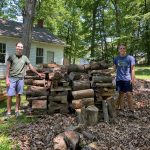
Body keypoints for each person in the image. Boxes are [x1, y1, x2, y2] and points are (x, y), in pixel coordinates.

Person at [5, 42, 44, 117]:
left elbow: (31, 67)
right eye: (18, 46)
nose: (20, 48)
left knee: (18, 95)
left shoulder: (25, 57)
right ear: (16, 47)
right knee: (10, 95)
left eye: (21, 47)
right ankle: (9, 112)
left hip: (20, 79)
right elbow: (7, 69)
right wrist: (7, 79)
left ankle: (17, 111)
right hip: (12, 78)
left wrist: (38, 73)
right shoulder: (11, 57)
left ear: (22, 48)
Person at [113, 44, 135, 114]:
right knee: (121, 94)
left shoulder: (130, 58)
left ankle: (131, 110)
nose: (122, 49)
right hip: (119, 79)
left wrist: (133, 79)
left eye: (123, 48)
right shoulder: (116, 58)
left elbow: (133, 69)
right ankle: (121, 109)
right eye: (120, 48)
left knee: (129, 94)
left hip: (127, 79)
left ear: (125, 49)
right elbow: (113, 69)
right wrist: (104, 72)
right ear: (118, 50)